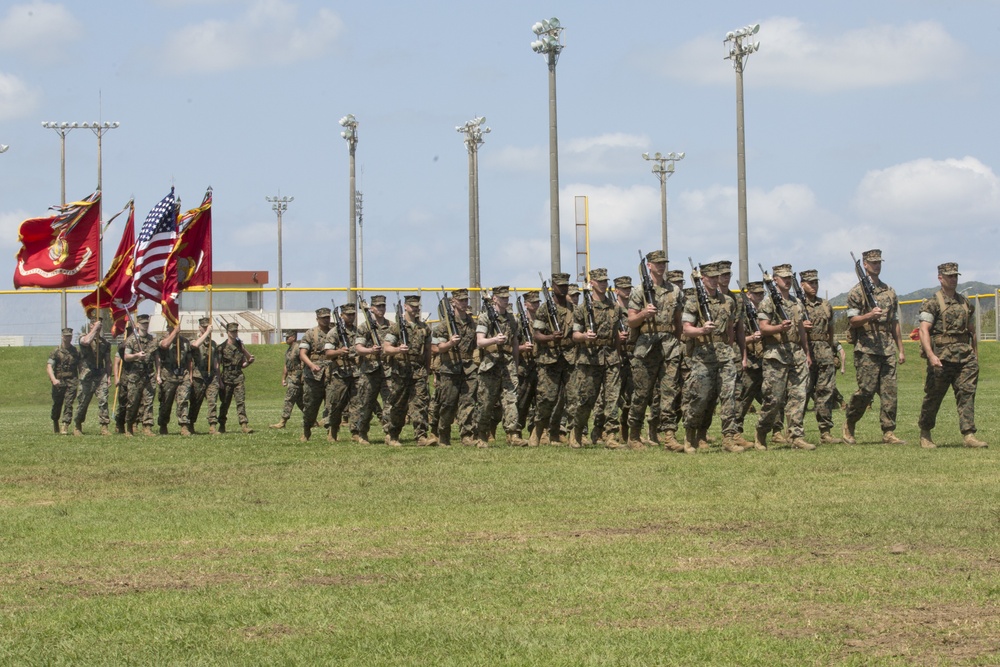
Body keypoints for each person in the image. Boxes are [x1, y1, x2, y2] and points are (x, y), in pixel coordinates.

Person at [917, 262, 987, 449]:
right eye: (949, 276)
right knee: (934, 396)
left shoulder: (964, 302)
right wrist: (931, 356)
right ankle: (925, 433)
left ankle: (969, 434)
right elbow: (924, 330)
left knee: (967, 395)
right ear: (940, 278)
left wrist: (975, 355)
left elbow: (972, 331)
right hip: (942, 357)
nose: (953, 279)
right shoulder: (932, 303)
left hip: (965, 357)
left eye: (955, 276)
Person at [843, 249, 905, 445]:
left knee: (890, 391)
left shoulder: (889, 291)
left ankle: (888, 431)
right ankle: (850, 422)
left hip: (887, 348)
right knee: (866, 391)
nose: (877, 265)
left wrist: (900, 349)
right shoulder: (856, 292)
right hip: (867, 348)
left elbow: (894, 322)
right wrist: (869, 316)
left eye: (879, 262)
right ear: (865, 264)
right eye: (873, 262)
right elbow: (853, 320)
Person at [626, 250, 684, 450]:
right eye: (657, 263)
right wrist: (643, 313)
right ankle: (634, 435)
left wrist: (677, 343)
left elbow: (678, 321)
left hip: (668, 346)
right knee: (642, 393)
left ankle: (669, 435)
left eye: (663, 263)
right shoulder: (639, 290)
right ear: (649, 265)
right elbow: (631, 321)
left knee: (669, 392)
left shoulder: (674, 290)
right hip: (646, 346)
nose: (661, 266)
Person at [681, 262, 742, 453]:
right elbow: (686, 329)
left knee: (729, 397)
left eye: (718, 277)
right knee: (700, 397)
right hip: (703, 355)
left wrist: (730, 349)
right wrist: (701, 330)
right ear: (703, 279)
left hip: (724, 355)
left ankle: (729, 438)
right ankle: (691, 434)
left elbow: (731, 329)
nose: (715, 281)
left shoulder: (728, 301)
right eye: (711, 278)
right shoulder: (694, 301)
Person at [754, 264, 815, 450]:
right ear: (775, 280)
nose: (787, 281)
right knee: (774, 399)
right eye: (783, 278)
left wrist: (806, 352)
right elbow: (763, 328)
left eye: (789, 277)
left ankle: (796, 436)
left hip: (796, 354)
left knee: (799, 396)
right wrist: (779, 328)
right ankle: (761, 432)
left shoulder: (797, 303)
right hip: (776, 355)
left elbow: (802, 330)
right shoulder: (768, 302)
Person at [568, 268, 628, 449]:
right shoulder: (582, 309)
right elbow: (574, 335)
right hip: (589, 358)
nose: (603, 284)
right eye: (599, 281)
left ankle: (611, 436)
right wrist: (585, 337)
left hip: (610, 357)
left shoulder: (614, 308)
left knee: (612, 399)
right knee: (586, 399)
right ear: (591, 283)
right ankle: (576, 432)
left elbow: (617, 336)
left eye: (605, 281)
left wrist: (618, 354)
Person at [475, 286, 528, 447]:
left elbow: (515, 344)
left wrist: (516, 364)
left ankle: (512, 434)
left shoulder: (512, 319)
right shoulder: (485, 318)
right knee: (486, 401)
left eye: (507, 297)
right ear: (495, 299)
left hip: (507, 364)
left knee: (511, 399)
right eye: (502, 298)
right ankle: (482, 434)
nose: (506, 300)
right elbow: (479, 341)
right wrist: (494, 340)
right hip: (490, 364)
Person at [381, 294, 433, 446]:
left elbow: (428, 351)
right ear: (405, 307)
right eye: (413, 306)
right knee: (398, 405)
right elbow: (386, 348)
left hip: (419, 371)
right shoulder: (396, 327)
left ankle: (421, 436)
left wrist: (428, 370)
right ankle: (393, 435)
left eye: (418, 306)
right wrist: (398, 349)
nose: (416, 309)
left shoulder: (424, 328)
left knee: (421, 404)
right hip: (401, 371)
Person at [431, 288, 479, 447]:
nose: (464, 303)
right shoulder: (443, 325)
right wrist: (450, 343)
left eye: (466, 300)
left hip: (468, 367)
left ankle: (466, 435)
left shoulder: (473, 323)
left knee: (468, 403)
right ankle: (443, 435)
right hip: (450, 368)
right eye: (461, 300)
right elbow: (435, 348)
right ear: (453, 302)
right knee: (448, 404)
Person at [799, 269, 842, 444]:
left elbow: (831, 329)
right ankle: (795, 432)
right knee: (803, 392)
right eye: (810, 283)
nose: (814, 286)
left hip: (824, 351)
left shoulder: (825, 305)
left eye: (816, 282)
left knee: (826, 392)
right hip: (805, 352)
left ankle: (825, 432)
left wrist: (832, 350)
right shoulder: (797, 305)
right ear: (802, 285)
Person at [531, 273, 574, 446]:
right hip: (549, 359)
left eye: (566, 285)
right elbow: (536, 335)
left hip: (569, 358)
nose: (563, 288)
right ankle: (538, 431)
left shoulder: (573, 308)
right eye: (560, 285)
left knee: (572, 398)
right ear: (553, 287)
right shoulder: (544, 309)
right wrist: (550, 338)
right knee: (547, 398)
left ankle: (568, 434)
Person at [354, 295, 393, 445]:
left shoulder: (391, 326)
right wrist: (370, 350)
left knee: (389, 403)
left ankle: (389, 433)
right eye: (378, 306)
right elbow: (358, 348)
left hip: (387, 370)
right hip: (370, 371)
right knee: (366, 404)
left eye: (383, 306)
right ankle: (362, 432)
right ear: (372, 309)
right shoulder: (364, 327)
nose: (381, 309)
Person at [323, 306, 359, 443]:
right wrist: (339, 352)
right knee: (336, 403)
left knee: (356, 404)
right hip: (340, 372)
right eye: (348, 315)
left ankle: (355, 431)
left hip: (356, 372)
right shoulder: (334, 332)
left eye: (353, 314)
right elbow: (327, 353)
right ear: (342, 315)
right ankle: (332, 430)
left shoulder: (358, 331)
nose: (351, 317)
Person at [213, 321, 255, 434]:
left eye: (236, 331)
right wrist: (219, 380)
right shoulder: (221, 347)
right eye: (232, 331)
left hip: (238, 377)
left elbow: (243, 364)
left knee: (240, 402)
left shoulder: (240, 346)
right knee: (225, 403)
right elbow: (217, 366)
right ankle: (222, 424)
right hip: (226, 378)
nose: (234, 333)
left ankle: (244, 425)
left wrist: (249, 362)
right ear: (227, 332)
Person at [299, 308, 333, 441]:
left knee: (332, 405)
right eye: (323, 317)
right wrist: (312, 365)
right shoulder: (310, 334)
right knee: (310, 405)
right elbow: (302, 353)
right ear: (317, 319)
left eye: (327, 317)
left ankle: (331, 432)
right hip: (313, 376)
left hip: (331, 373)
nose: (326, 320)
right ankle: (306, 430)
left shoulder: (334, 332)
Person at [75, 316, 112, 436]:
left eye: (100, 325)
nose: (99, 327)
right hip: (87, 374)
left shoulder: (105, 343)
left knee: (103, 400)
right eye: (96, 324)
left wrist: (109, 376)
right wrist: (94, 330)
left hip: (100, 374)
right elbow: (86, 342)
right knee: (83, 401)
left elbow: (108, 360)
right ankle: (77, 425)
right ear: (91, 325)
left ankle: (104, 426)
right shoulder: (83, 337)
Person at [122, 314, 158, 437]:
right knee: (133, 402)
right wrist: (137, 356)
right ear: (137, 325)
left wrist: (158, 374)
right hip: (135, 375)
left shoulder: (152, 340)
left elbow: (156, 358)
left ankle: (147, 427)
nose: (145, 326)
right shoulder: (131, 340)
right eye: (142, 323)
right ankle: (129, 427)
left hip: (149, 374)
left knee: (148, 402)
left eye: (146, 323)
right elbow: (126, 357)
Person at [155, 323, 192, 435]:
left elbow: (189, 360)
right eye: (171, 327)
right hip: (168, 375)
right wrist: (174, 333)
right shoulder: (162, 339)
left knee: (183, 400)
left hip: (182, 375)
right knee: (166, 402)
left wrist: (190, 376)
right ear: (168, 328)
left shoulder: (185, 342)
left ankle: (184, 425)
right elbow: (165, 345)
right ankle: (163, 424)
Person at [47, 327, 80, 435]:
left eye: (70, 336)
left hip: (72, 380)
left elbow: (80, 366)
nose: (68, 338)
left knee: (69, 403)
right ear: (62, 336)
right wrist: (53, 379)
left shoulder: (75, 351)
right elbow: (49, 367)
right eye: (66, 336)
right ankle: (55, 420)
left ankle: (65, 425)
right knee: (57, 404)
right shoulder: (56, 352)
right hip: (59, 381)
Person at [187, 318, 215, 434]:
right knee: (195, 402)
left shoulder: (212, 344)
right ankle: (190, 424)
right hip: (198, 376)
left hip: (210, 376)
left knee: (212, 400)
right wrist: (207, 333)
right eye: (203, 327)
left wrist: (217, 375)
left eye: (207, 326)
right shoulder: (193, 339)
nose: (205, 328)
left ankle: (213, 425)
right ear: (199, 327)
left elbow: (216, 361)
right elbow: (195, 345)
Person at [271, 330, 303, 430]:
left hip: (297, 379)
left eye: (288, 337)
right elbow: (286, 365)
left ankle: (282, 421)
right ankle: (312, 420)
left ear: (293, 337)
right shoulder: (289, 350)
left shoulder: (298, 348)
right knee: (300, 402)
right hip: (291, 377)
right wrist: (283, 378)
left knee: (289, 400)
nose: (286, 339)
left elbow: (303, 362)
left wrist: (302, 377)